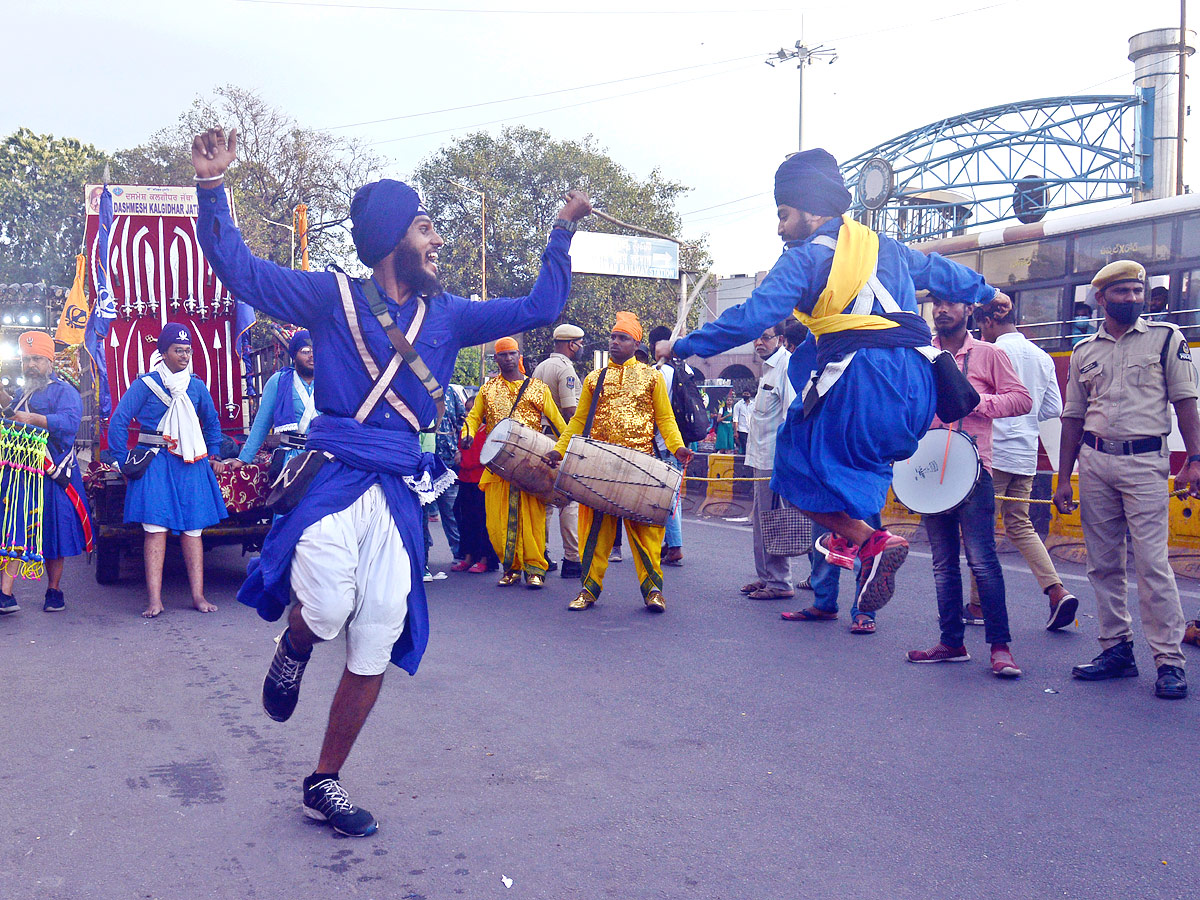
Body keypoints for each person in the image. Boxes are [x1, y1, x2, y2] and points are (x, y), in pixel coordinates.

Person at [192, 125, 591, 835]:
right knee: (321, 609)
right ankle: (294, 648)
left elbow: (539, 310)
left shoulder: (451, 315)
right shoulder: (331, 299)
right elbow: (242, 271)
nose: (437, 240)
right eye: (426, 226)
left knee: (375, 636)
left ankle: (324, 780)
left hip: (398, 494)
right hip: (335, 481)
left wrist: (560, 231)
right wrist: (213, 188)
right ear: (391, 240)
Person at [656, 148, 1000, 614]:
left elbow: (752, 316)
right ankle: (850, 544)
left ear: (810, 208)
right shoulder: (886, 247)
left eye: (783, 214)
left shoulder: (804, 260)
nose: (779, 227)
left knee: (793, 474)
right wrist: (987, 291)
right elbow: (943, 271)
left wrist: (680, 346)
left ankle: (865, 540)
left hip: (864, 383)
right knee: (856, 468)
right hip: (918, 389)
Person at [1054, 260, 1200, 700]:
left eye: (1138, 292)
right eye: (1122, 292)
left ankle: (1169, 661)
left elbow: (1186, 404)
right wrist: (1064, 478)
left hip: (1144, 463)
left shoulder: (1165, 340)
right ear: (1101, 298)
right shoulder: (1084, 352)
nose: (1133, 299)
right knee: (1103, 562)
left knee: (1153, 564)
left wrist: (1194, 460)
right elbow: (1073, 419)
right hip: (1095, 463)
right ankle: (1116, 649)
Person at [904, 294, 1031, 677]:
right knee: (943, 564)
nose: (942, 310)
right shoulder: (920, 354)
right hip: (930, 471)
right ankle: (951, 643)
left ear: (969, 311)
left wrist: (975, 403)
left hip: (975, 472)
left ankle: (1000, 647)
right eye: (936, 304)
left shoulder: (990, 354)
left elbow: (1022, 400)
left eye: (951, 304)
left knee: (982, 561)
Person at [547, 312, 692, 613]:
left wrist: (677, 447)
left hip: (640, 466)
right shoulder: (594, 379)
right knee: (594, 533)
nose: (615, 342)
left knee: (645, 535)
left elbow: (665, 417)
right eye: (613, 337)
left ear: (636, 343)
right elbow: (578, 421)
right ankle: (588, 590)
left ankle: (653, 591)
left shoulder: (652, 377)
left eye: (622, 338)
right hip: (599, 466)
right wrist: (560, 450)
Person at [107, 323, 229, 619]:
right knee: (155, 531)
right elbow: (119, 421)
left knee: (193, 530)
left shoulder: (196, 386)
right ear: (163, 353)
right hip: (155, 462)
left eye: (188, 350)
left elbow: (212, 423)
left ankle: (198, 595)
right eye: (179, 350)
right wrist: (123, 461)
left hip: (190, 462)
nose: (185, 355)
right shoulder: (145, 385)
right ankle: (154, 600)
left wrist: (213, 453)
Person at [974, 295, 1077, 630]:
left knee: (980, 529)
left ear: (989, 322)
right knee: (1019, 525)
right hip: (1025, 454)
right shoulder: (1041, 356)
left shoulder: (990, 352)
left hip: (993, 452)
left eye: (981, 326)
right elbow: (1051, 408)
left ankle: (976, 607)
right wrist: (1025, 416)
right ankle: (1056, 591)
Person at [0, 332, 93, 614]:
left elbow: (69, 422)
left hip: (54, 473)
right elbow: (13, 420)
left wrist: (35, 419)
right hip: (23, 474)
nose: (31, 365)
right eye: (27, 360)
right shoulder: (21, 393)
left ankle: (54, 590)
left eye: (37, 359)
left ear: (49, 361)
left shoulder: (65, 391)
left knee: (55, 534)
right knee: (15, 532)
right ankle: (5, 594)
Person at [462, 337, 566, 589]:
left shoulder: (537, 388)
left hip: (529, 464)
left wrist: (565, 449)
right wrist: (467, 434)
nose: (508, 358)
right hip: (497, 465)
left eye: (512, 354)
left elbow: (558, 423)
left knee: (532, 518)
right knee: (497, 522)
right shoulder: (488, 390)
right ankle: (511, 568)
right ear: (495, 359)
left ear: (519, 356)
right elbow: (473, 417)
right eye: (503, 354)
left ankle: (535, 568)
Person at [741, 323, 795, 600]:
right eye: (756, 336)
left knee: (774, 520)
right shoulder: (767, 369)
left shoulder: (786, 366)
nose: (759, 342)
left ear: (781, 339)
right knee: (761, 520)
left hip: (774, 461)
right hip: (759, 458)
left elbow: (790, 417)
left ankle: (780, 582)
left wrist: (785, 463)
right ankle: (765, 577)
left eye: (765, 336)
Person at [531, 323, 584, 578]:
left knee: (545, 501)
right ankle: (572, 559)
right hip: (560, 440)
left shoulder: (540, 367)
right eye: (579, 343)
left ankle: (541, 554)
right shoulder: (566, 370)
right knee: (568, 501)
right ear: (571, 344)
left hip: (540, 439)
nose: (581, 348)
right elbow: (570, 411)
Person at [234, 330, 316, 469]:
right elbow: (262, 423)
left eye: (315, 350)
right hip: (292, 459)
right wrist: (243, 459)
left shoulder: (329, 382)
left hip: (323, 457)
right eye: (305, 351)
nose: (312, 355)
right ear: (294, 356)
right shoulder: (278, 381)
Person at [647, 324, 687, 567]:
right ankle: (672, 542)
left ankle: (674, 546)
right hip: (683, 440)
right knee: (676, 495)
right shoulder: (686, 370)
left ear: (654, 346)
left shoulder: (657, 373)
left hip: (663, 442)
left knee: (666, 496)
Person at [453, 424, 500, 573]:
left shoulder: (489, 429)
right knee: (465, 519)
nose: (468, 413)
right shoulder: (466, 429)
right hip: (465, 478)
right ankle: (468, 556)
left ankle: (485, 558)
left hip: (481, 479)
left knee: (482, 521)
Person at [431, 379, 466, 566]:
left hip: (448, 462)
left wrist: (461, 449)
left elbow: (463, 422)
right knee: (418, 515)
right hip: (421, 461)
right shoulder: (414, 388)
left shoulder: (450, 391)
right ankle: (421, 557)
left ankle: (459, 552)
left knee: (450, 510)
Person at [732, 389, 753, 454]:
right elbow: (735, 419)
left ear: (750, 395)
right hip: (742, 429)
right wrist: (735, 432)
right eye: (744, 394)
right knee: (744, 446)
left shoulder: (753, 405)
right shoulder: (738, 405)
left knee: (751, 446)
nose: (746, 395)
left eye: (747, 394)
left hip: (751, 429)